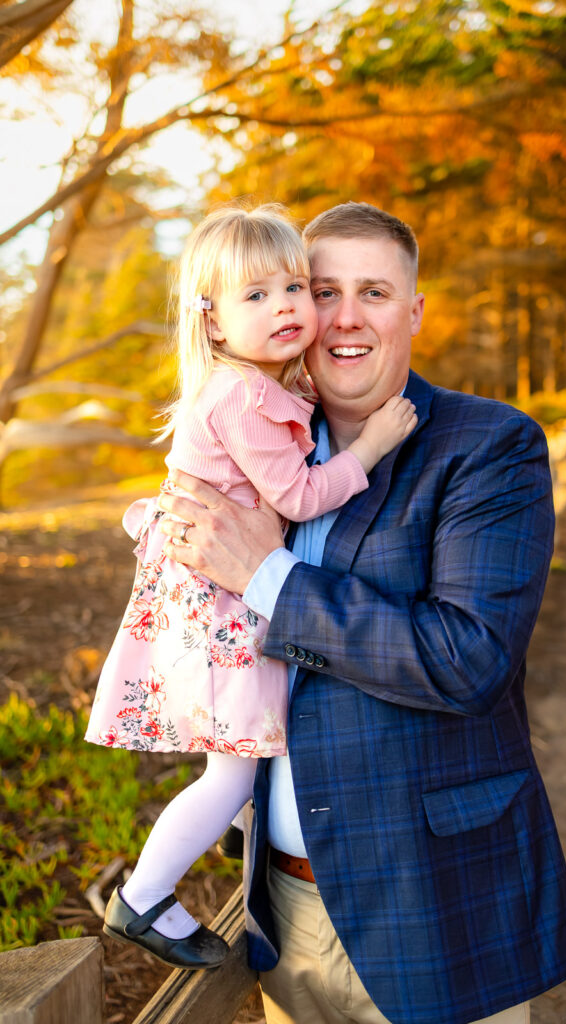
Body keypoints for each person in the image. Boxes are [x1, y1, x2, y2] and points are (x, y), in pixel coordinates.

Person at [157, 202, 566, 1021]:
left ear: (414, 311)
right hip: (284, 909)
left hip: (432, 904)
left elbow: (466, 661)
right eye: (323, 290)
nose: (345, 317)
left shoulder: (487, 446)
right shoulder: (257, 439)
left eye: (375, 293)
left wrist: (268, 576)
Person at [85, 204, 416, 971]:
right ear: (212, 323)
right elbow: (299, 499)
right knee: (233, 764)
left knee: (248, 755)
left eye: (295, 287)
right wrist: (369, 445)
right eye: (256, 296)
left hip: (217, 596)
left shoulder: (257, 387)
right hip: (220, 605)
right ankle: (143, 897)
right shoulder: (243, 396)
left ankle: (263, 862)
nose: (288, 307)